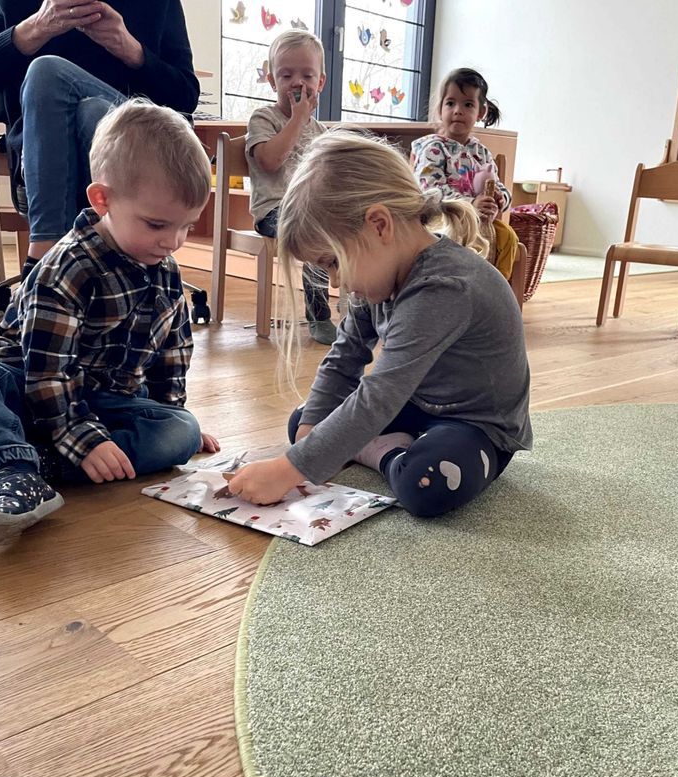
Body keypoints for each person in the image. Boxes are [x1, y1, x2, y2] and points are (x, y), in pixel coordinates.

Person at [0, 99, 219, 548]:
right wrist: (81, 438)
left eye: (186, 226)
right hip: (27, 389)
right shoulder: (68, 267)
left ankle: (45, 463)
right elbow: (47, 374)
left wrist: (170, 414)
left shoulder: (166, 270)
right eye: (157, 225)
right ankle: (12, 472)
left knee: (181, 433)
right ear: (102, 199)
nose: (173, 241)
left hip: (99, 400)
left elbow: (172, 355)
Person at [223, 131, 532, 518]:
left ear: (380, 225)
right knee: (304, 421)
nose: (336, 282)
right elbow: (343, 360)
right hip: (415, 404)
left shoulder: (444, 288)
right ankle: (380, 443)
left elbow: (380, 393)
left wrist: (291, 469)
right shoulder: (379, 274)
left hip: (479, 425)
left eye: (333, 263)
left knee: (425, 482)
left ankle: (382, 453)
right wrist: (306, 442)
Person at [0, 0, 199, 285]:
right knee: (55, 80)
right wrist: (37, 27)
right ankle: (59, 256)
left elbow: (186, 95)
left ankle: (44, 258)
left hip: (130, 152)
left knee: (88, 106)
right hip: (41, 146)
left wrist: (131, 49)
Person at [245, 28, 337, 346]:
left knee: (348, 223)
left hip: (312, 210)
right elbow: (270, 161)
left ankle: (363, 308)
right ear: (273, 81)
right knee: (314, 229)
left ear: (320, 82)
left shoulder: (321, 131)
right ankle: (319, 315)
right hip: (274, 210)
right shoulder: (263, 118)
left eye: (307, 75)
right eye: (286, 75)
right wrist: (297, 119)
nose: (297, 83)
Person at [411, 68, 518, 280]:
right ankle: (460, 285)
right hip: (443, 221)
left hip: (478, 223)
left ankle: (497, 286)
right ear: (440, 108)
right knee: (464, 243)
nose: (458, 110)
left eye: (468, 104)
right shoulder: (433, 148)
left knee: (508, 237)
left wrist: (499, 198)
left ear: (481, 112)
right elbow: (430, 190)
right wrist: (470, 204)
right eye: (450, 103)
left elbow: (498, 185)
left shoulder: (481, 152)